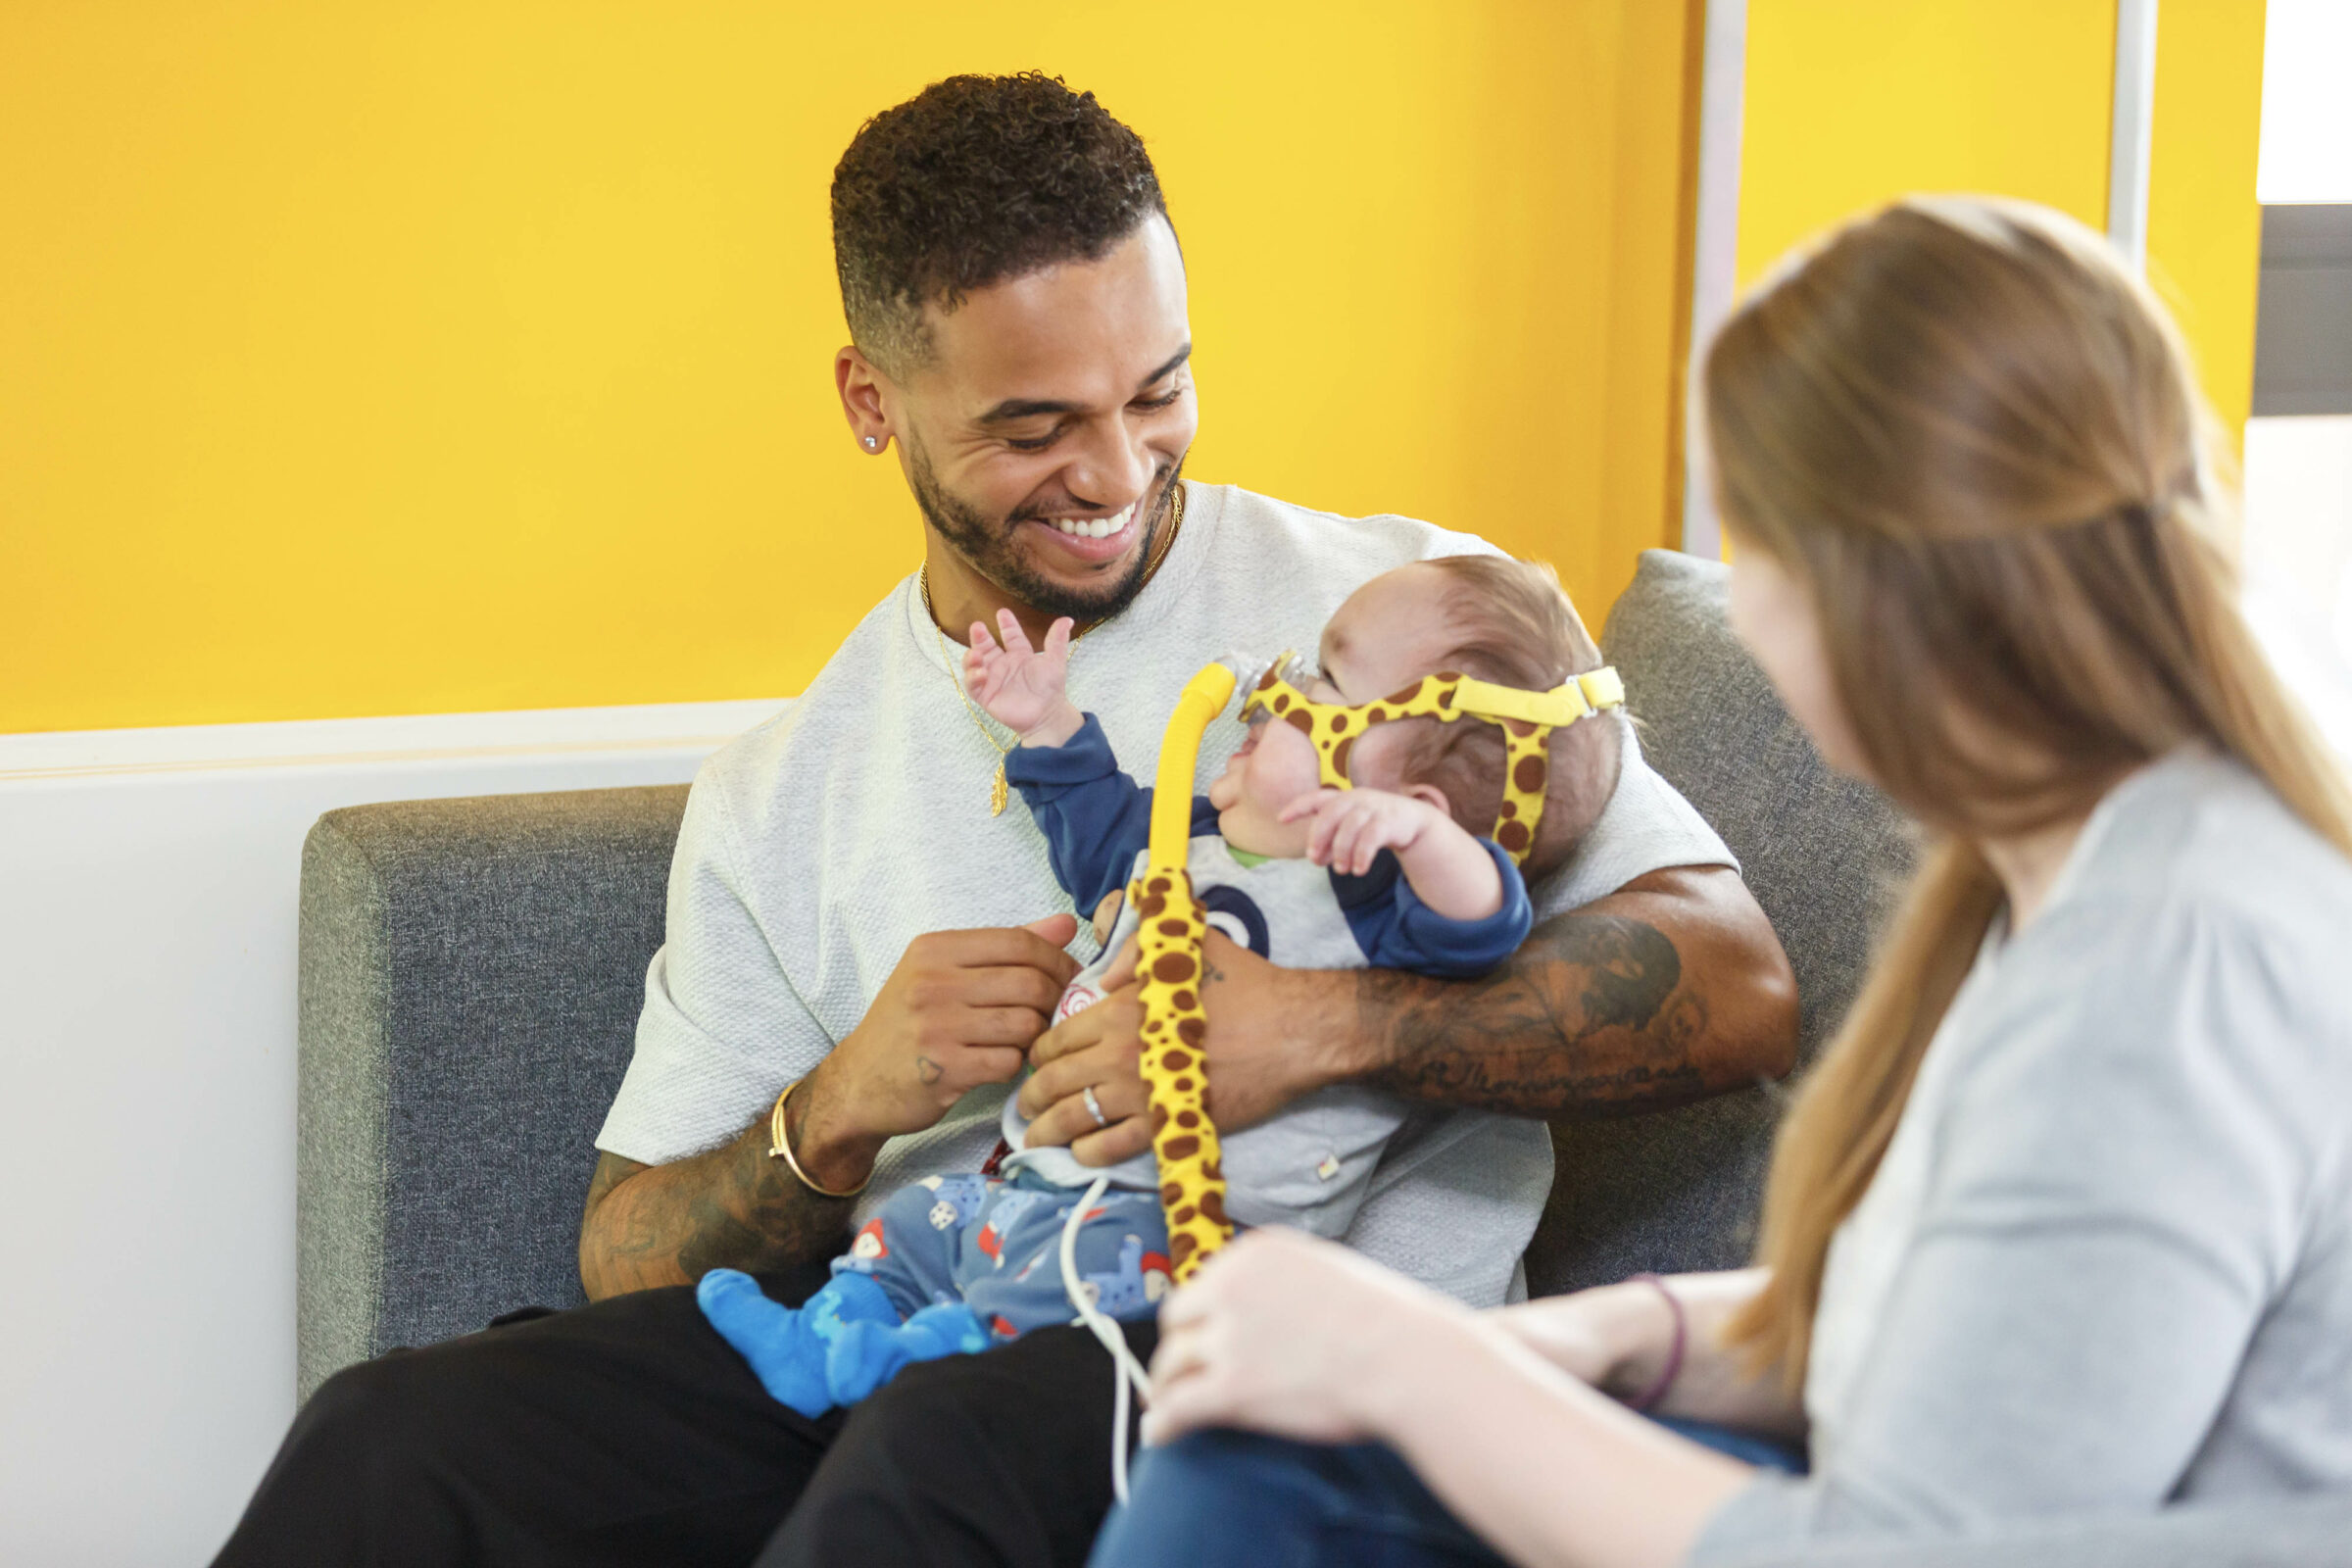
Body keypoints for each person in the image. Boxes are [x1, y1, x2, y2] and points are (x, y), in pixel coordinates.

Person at [212, 73, 1796, 1568]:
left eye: (1160, 391)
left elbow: (1733, 984)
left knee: (934, 1454)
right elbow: (625, 1251)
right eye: (1036, 430)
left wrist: (1318, 1029)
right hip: (920, 1314)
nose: (1119, 470)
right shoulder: (791, 787)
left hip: (1279, 1372)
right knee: (393, 1443)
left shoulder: (1403, 628)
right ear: (869, 401)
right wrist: (838, 1104)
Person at [1089, 195, 2352, 1568]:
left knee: (1259, 1480)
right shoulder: (2087, 876)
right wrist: (1634, 1329)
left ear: (1886, 582)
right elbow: (1976, 1339)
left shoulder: (2173, 960)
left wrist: (1410, 1365)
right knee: (1263, 1470)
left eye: (1763, 554)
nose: (1742, 611)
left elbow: (1907, 1543)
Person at [697, 553, 1625, 1416]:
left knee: (1045, 1299)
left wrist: (1423, 844)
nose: (1279, 685)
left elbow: (1484, 926)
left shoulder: (1376, 905)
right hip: (1042, 1181)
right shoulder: (1197, 844)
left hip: (1185, 1237)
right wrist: (1046, 724)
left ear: (1407, 810)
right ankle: (827, 1344)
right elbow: (1103, 835)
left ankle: (920, 1372)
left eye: (1329, 681)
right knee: (909, 1224)